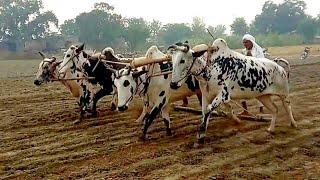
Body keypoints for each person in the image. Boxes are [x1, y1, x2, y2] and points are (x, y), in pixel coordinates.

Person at [241, 34, 265, 114]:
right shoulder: (243, 51)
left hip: (256, 74)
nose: (245, 44)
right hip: (246, 74)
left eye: (246, 42)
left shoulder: (258, 50)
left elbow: (261, 62)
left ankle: (261, 109)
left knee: (258, 93)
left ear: (251, 42)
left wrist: (251, 57)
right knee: (241, 91)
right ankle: (245, 110)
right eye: (244, 43)